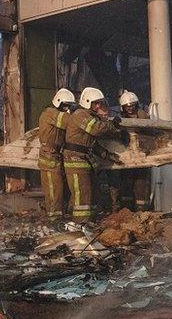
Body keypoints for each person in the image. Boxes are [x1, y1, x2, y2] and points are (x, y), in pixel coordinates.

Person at [63, 87, 121, 222]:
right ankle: (80, 224)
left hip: (84, 159)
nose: (98, 106)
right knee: (82, 195)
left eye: (99, 103)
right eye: (96, 103)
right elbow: (96, 129)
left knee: (91, 192)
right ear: (87, 102)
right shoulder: (80, 115)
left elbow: (90, 144)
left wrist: (106, 155)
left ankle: (89, 221)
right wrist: (112, 125)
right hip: (75, 161)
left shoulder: (87, 116)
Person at [37, 88, 75, 218]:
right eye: (65, 106)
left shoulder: (56, 114)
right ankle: (54, 219)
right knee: (54, 190)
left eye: (69, 106)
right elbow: (70, 122)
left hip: (55, 156)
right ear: (58, 102)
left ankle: (58, 216)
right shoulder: (51, 113)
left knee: (59, 190)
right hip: (49, 157)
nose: (67, 109)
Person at [118, 91, 151, 211]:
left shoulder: (142, 115)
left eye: (132, 105)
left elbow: (147, 133)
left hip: (141, 155)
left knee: (141, 183)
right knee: (126, 183)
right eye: (127, 106)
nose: (130, 108)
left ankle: (142, 210)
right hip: (126, 156)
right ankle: (126, 210)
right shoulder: (120, 118)